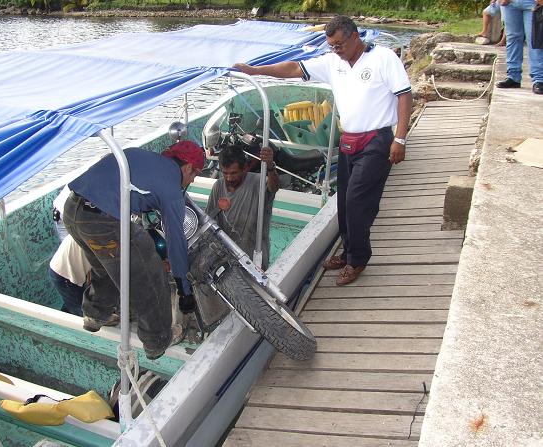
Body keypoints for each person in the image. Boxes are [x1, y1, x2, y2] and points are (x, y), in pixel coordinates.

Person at [233, 15, 412, 286]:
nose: (336, 50)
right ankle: (349, 250)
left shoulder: (383, 58)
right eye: (331, 46)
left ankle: (358, 259)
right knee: (343, 203)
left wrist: (400, 139)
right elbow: (294, 68)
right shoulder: (333, 63)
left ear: (354, 37)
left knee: (358, 203)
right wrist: (256, 71)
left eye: (340, 44)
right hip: (348, 140)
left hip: (377, 140)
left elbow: (404, 95)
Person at [63, 141, 204, 360]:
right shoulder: (172, 186)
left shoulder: (141, 156)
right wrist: (184, 289)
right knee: (149, 273)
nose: (193, 180)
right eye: (195, 174)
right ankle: (157, 339)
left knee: (105, 267)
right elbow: (176, 243)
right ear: (187, 167)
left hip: (73, 212)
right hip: (102, 222)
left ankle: (94, 315)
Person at [205, 146, 279, 270]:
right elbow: (209, 221)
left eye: (234, 173)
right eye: (225, 173)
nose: (229, 178)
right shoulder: (218, 186)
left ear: (245, 168)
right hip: (226, 259)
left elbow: (274, 187)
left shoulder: (259, 183)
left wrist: (270, 166)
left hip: (254, 259)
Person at [497, 0, 543, 94]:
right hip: (510, 3)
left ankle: (539, 79)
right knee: (512, 38)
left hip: (532, 2)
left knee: (534, 38)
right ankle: (513, 76)